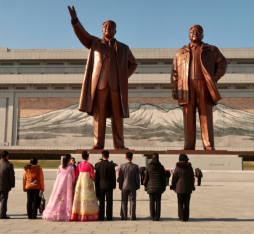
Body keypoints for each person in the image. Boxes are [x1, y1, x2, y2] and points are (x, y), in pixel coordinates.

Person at [68, 6, 138, 150]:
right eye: (105, 26)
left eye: (111, 27)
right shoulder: (95, 43)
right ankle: (98, 143)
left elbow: (133, 64)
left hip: (116, 87)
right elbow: (83, 34)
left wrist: (123, 78)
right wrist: (75, 21)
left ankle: (119, 144)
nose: (108, 28)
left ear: (115, 31)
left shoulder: (124, 48)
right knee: (99, 116)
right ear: (102, 30)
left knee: (117, 116)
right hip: (100, 85)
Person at [171, 25, 227, 150]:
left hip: (204, 85)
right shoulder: (180, 52)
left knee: (205, 115)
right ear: (188, 35)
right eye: (192, 31)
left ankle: (208, 144)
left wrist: (214, 78)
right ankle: (189, 144)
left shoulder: (211, 50)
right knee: (188, 116)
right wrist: (175, 89)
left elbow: (223, 63)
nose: (195, 33)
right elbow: (175, 72)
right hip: (186, 86)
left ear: (203, 35)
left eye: (198, 31)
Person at [43, 154, 75, 221]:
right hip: (67, 186)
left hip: (59, 185)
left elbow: (57, 175)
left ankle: (54, 211)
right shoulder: (71, 167)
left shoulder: (60, 167)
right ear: (69, 159)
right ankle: (66, 213)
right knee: (66, 198)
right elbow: (73, 178)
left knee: (57, 197)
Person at [71, 151, 99, 221]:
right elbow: (92, 175)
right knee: (88, 197)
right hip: (87, 183)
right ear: (88, 157)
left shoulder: (79, 165)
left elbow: (77, 175)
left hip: (80, 183)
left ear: (82, 157)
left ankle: (79, 214)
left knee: (80, 197)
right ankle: (88, 214)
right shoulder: (90, 165)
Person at [170, 154, 195, 222]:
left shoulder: (178, 168)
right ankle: (186, 217)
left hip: (179, 187)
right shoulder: (190, 168)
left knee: (180, 203)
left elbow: (174, 178)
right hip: (188, 187)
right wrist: (193, 186)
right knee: (187, 203)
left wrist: (173, 186)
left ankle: (181, 217)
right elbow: (192, 178)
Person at [144, 153, 166, 221]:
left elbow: (146, 178)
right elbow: (163, 178)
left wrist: (145, 186)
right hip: (159, 186)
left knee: (151, 202)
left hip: (150, 186)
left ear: (151, 158)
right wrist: (164, 186)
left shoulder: (148, 166)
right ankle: (157, 217)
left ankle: (152, 217)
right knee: (158, 201)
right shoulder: (161, 167)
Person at [118, 152, 140, 220]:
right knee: (132, 201)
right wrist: (137, 186)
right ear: (132, 158)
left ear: (125, 158)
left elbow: (120, 177)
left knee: (124, 201)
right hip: (132, 186)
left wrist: (120, 186)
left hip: (124, 186)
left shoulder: (122, 166)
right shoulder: (135, 166)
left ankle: (124, 216)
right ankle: (132, 216)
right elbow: (137, 178)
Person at [95, 150, 116, 221]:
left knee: (101, 201)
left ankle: (101, 216)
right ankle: (109, 217)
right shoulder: (111, 165)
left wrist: (96, 185)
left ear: (102, 156)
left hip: (101, 185)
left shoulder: (98, 165)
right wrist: (114, 185)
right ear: (108, 156)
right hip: (109, 185)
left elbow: (97, 177)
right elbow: (113, 176)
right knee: (109, 201)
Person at [0, 151, 15, 219]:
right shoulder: (9, 165)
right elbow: (11, 176)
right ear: (6, 156)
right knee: (3, 199)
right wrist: (12, 184)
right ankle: (2, 214)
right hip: (4, 185)